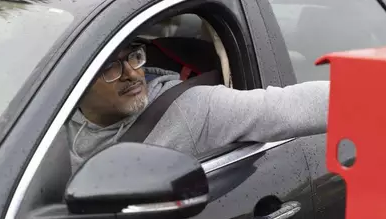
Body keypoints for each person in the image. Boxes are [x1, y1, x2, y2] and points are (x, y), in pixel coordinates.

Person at [68, 41, 329, 171]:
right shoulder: (48, 119)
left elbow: (281, 108)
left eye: (134, 58)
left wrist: (365, 92)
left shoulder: (191, 108)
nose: (133, 74)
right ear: (74, 84)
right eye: (111, 67)